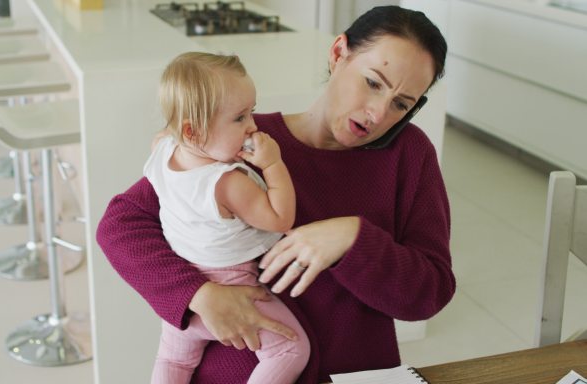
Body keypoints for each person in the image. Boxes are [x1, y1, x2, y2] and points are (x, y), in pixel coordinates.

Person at [97, 5, 456, 383]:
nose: (379, 113)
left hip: (352, 374)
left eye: (402, 104)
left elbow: (430, 292)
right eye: (373, 82)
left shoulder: (409, 156)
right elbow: (120, 225)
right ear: (338, 54)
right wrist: (198, 294)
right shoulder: (242, 143)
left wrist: (353, 238)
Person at [142, 52, 309, 384]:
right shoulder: (229, 183)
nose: (252, 126)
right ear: (192, 132)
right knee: (290, 349)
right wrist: (273, 164)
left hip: (185, 298)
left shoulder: (162, 149)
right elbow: (280, 219)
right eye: (239, 118)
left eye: (252, 111)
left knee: (173, 361)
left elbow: (166, 135)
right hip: (234, 289)